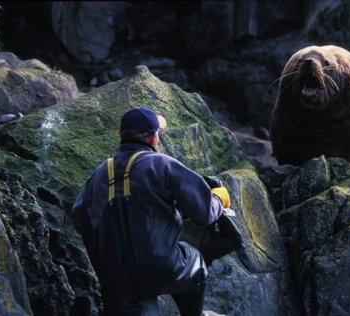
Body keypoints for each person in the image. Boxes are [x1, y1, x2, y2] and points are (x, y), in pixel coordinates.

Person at [71, 106, 231, 315]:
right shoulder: (162, 164)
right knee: (196, 262)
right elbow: (205, 213)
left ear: (121, 136)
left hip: (115, 278)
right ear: (153, 138)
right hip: (160, 267)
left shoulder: (101, 173)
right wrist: (219, 198)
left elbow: (80, 219)